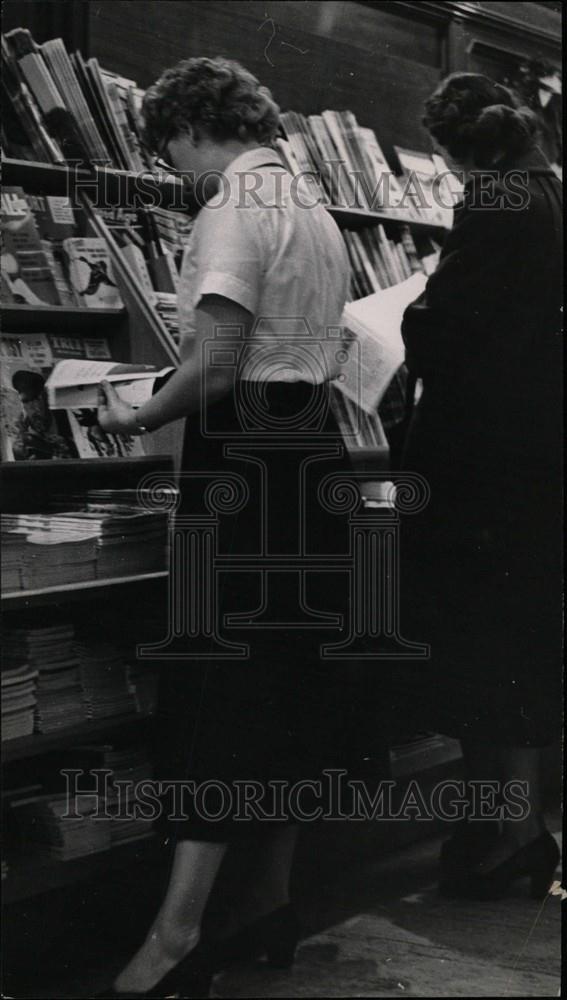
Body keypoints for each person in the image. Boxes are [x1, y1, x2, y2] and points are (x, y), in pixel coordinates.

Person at [96, 56, 359, 998]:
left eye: (168, 150)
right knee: (283, 680)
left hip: (242, 453)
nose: (173, 171)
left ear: (190, 130)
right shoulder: (315, 207)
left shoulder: (230, 207)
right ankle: (267, 907)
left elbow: (212, 364)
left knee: (218, 686)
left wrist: (133, 416)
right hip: (310, 450)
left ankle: (173, 939)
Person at [399, 73, 562, 898]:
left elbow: (442, 327)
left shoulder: (495, 199)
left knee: (472, 647)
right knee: (523, 649)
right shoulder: (551, 193)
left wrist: (408, 314)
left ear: (458, 151)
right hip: (537, 465)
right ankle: (521, 827)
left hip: (478, 468)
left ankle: (499, 832)